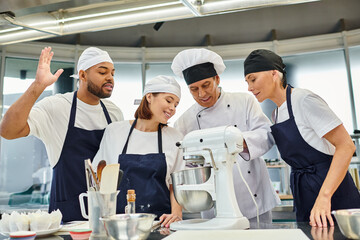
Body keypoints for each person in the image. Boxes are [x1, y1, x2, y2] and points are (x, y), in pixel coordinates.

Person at [0, 47, 124, 222]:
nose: (110, 77)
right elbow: (8, 131)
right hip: (67, 219)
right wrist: (38, 85)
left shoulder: (113, 112)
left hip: (106, 218)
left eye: (112, 73)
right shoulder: (58, 107)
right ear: (83, 76)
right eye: (103, 72)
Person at [244, 49, 360, 227]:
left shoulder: (304, 99)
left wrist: (324, 196)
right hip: (305, 195)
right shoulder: (276, 114)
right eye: (247, 82)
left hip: (333, 193)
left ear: (274, 73)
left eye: (253, 79)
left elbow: (346, 146)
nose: (249, 87)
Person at [171, 48, 280, 224]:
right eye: (194, 89)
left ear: (217, 79)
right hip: (215, 206)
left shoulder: (244, 101)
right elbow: (182, 163)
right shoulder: (185, 121)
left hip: (255, 200)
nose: (201, 94)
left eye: (206, 85)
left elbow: (267, 134)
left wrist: (238, 142)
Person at [93, 75, 184, 228]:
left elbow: (176, 183)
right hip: (120, 223)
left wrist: (176, 214)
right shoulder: (115, 131)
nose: (173, 108)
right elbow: (100, 177)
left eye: (176, 104)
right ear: (149, 96)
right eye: (169, 101)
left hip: (160, 224)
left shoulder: (175, 137)